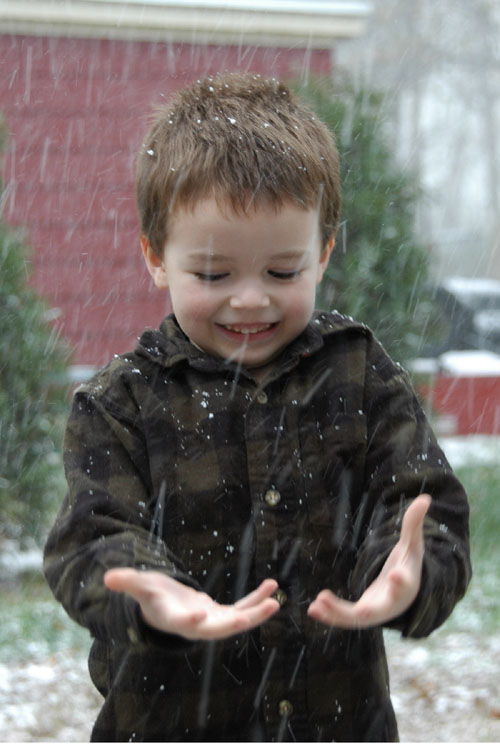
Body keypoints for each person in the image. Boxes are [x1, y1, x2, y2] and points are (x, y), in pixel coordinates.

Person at [43, 73, 471, 742]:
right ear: (157, 256)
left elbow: (422, 506)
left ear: (323, 252)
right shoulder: (119, 405)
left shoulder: (357, 375)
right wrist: (148, 590)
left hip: (339, 726)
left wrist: (409, 571)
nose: (250, 299)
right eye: (214, 274)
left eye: (282, 271)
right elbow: (90, 539)